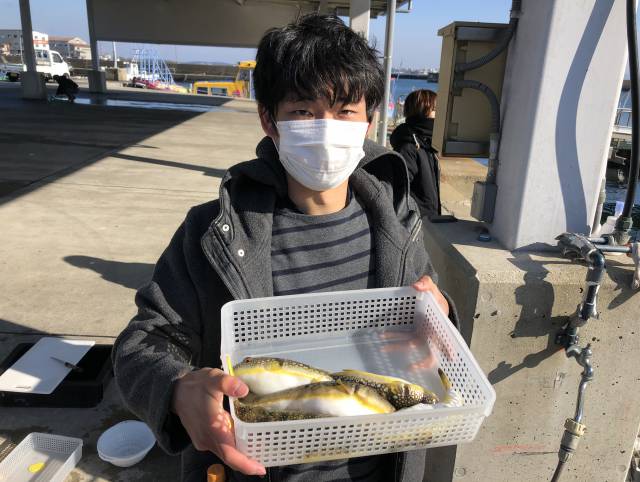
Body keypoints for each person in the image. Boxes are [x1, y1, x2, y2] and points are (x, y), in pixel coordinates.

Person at [112, 14, 458, 482]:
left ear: (370, 122)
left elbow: (426, 326)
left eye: (345, 111)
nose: (326, 129)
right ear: (269, 120)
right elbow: (142, 344)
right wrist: (176, 389)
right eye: (303, 112)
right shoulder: (212, 232)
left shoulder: (398, 223)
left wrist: (442, 317)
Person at [390, 89, 441, 219]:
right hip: (415, 223)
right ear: (422, 112)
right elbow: (398, 191)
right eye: (435, 110)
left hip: (429, 220)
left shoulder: (426, 143)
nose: (440, 115)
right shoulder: (409, 147)